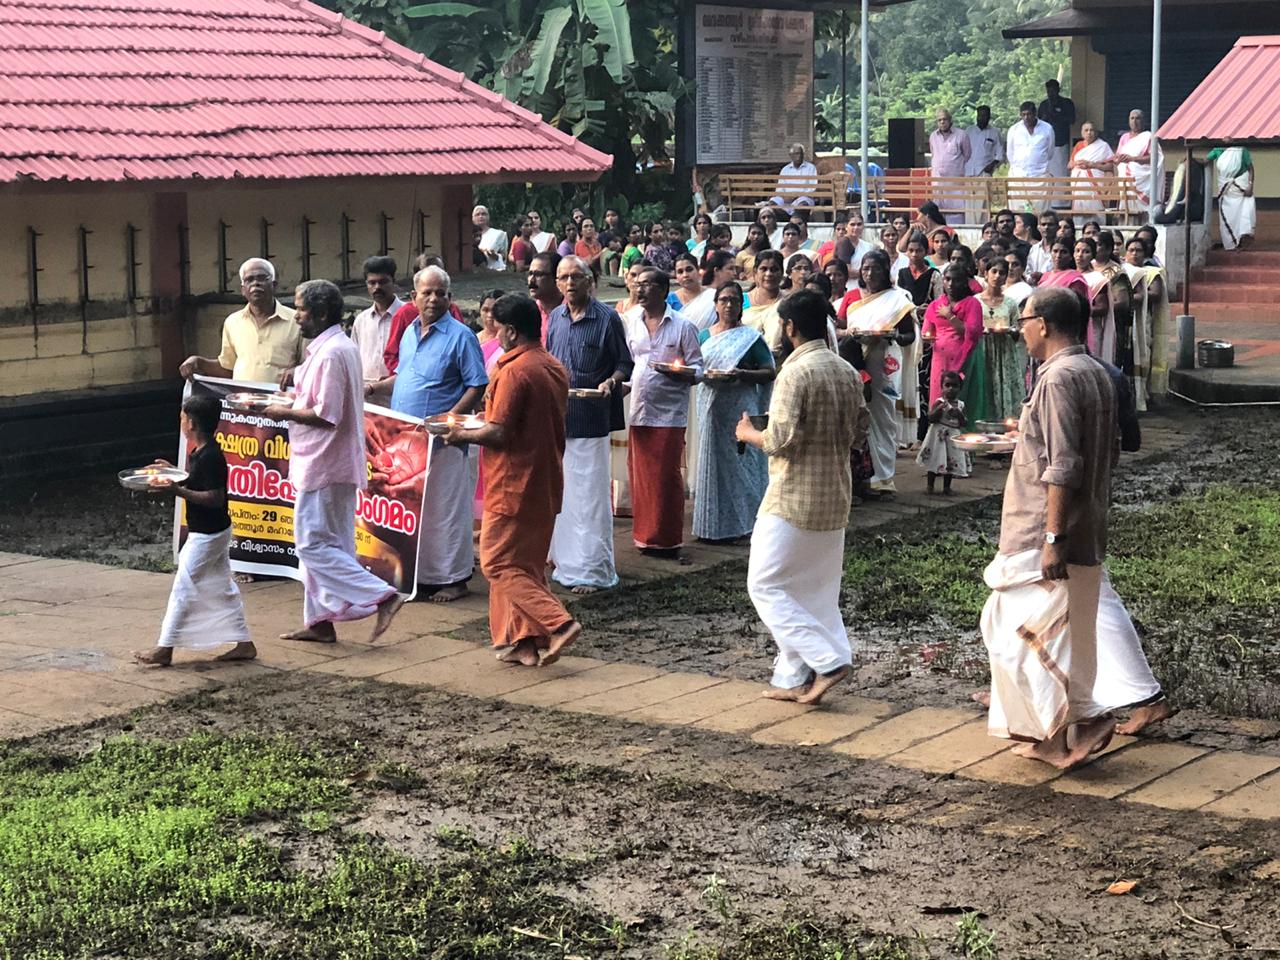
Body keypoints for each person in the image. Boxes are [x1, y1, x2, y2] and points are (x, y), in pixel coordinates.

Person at [981, 285, 1166, 770]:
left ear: (1042, 323)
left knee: (1011, 630)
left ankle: (1075, 722)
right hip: (1086, 523)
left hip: (1042, 526)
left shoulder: (1059, 378)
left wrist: (1051, 538)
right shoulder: (1095, 371)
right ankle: (1070, 727)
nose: (1020, 330)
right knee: (1071, 633)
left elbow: (1064, 465)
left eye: (1023, 321)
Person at [735, 289, 865, 704]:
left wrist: (747, 433)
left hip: (793, 496)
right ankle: (793, 677)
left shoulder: (795, 372)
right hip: (835, 493)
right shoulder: (845, 369)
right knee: (816, 592)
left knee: (765, 585)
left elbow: (781, 439)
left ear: (789, 327)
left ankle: (826, 661)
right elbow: (859, 430)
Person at [441, 295, 582, 668]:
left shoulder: (515, 369)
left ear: (511, 331)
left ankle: (558, 622)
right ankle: (523, 643)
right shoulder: (551, 365)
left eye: (497, 327)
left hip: (514, 484)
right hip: (545, 480)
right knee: (526, 567)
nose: (494, 333)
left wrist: (459, 434)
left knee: (498, 565)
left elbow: (500, 433)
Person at [262, 280, 404, 644]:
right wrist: (293, 394)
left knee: (310, 544)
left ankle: (380, 594)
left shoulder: (331, 353)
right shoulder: (331, 349)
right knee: (332, 545)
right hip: (330, 462)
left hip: (323, 464)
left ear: (322, 313)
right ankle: (320, 622)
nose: (297, 316)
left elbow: (327, 415)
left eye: (302, 309)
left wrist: (283, 412)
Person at [373, 265, 488, 602]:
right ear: (414, 297)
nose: (434, 299)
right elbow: (406, 376)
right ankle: (420, 576)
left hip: (444, 440)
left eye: (441, 293)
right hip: (406, 441)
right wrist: (375, 388)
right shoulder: (409, 332)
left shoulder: (460, 336)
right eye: (428, 292)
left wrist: (450, 419)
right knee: (416, 510)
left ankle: (453, 579)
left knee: (446, 510)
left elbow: (477, 383)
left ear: (449, 298)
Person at [132, 394, 255, 667]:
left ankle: (164, 648)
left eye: (182, 417)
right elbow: (198, 482)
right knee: (223, 587)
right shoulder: (200, 451)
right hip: (214, 530)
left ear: (191, 423)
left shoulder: (211, 455)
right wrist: (173, 472)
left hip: (208, 534)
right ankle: (244, 643)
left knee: (183, 588)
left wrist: (176, 490)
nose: (180, 421)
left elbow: (214, 497)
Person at [545, 256, 633, 594]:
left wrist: (612, 381)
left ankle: (593, 570)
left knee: (591, 499)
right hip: (560, 419)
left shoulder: (608, 318)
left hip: (593, 419)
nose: (569, 284)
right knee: (564, 497)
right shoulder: (555, 318)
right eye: (563, 277)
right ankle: (565, 563)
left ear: (589, 281)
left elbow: (625, 362)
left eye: (575, 277)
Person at [626, 266, 703, 558]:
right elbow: (630, 363)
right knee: (642, 477)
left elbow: (698, 369)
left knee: (666, 478)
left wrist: (678, 373)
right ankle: (644, 537)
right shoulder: (632, 321)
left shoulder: (683, 326)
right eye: (637, 284)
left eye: (647, 285)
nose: (640, 289)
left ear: (662, 290)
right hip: (639, 409)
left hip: (669, 412)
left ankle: (668, 539)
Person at [694, 281, 775, 542]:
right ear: (716, 304)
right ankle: (714, 526)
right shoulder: (704, 336)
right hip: (712, 407)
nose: (728, 305)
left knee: (744, 464)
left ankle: (747, 522)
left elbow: (768, 371)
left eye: (734, 301)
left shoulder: (750, 338)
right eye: (723, 300)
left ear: (741, 305)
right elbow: (695, 367)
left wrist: (742, 374)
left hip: (741, 406)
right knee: (715, 463)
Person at [838, 250, 917, 494]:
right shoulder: (852, 297)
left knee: (882, 418)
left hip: (883, 363)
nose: (870, 273)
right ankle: (859, 478)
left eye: (876, 269)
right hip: (854, 362)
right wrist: (849, 334)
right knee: (857, 417)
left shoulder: (897, 300)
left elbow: (909, 336)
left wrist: (892, 335)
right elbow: (838, 329)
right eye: (865, 268)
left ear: (886, 271)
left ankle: (883, 478)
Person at [179, 258, 301, 384]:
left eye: (262, 278)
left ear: (274, 285)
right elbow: (228, 369)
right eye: (249, 280)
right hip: (242, 401)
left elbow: (312, 366)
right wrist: (198, 362)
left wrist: (297, 371)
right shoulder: (233, 322)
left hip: (282, 401)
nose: (256, 283)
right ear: (243, 290)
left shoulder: (297, 321)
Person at [381, 254, 467, 375]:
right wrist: (408, 375)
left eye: (440, 273)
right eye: (427, 292)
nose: (433, 299)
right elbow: (391, 355)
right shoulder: (405, 315)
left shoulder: (453, 313)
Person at [923, 265, 984, 413]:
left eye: (956, 280)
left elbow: (972, 332)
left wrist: (950, 316)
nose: (950, 284)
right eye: (947, 279)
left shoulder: (972, 303)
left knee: (962, 399)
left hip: (964, 359)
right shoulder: (935, 305)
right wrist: (927, 339)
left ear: (964, 282)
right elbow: (926, 332)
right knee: (939, 399)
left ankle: (962, 434)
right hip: (940, 360)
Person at [1122, 237, 1170, 410]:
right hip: (1124, 321)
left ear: (1145, 254)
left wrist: (1132, 295)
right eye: (1131, 250)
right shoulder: (1120, 272)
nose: (1134, 254)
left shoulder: (1150, 273)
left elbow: (1156, 294)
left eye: (1139, 250)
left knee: (1142, 355)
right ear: (1125, 253)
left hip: (1142, 321)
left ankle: (1142, 395)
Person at [978, 257, 1027, 419]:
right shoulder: (975, 301)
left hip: (1004, 352)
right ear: (986, 274)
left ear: (1006, 277)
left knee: (1002, 386)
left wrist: (1009, 331)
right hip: (982, 350)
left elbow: (1018, 329)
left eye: (1002, 273)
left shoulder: (1010, 304)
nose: (997, 276)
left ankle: (1003, 426)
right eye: (994, 271)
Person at [351, 256, 405, 392]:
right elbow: (354, 359)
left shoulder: (408, 316)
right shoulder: (361, 320)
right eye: (372, 283)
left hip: (398, 394)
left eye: (383, 282)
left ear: (394, 281)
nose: (377, 287)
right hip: (366, 396)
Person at [916, 370, 971, 495]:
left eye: (955, 386)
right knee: (934, 459)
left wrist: (960, 416)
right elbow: (930, 417)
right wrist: (939, 410)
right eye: (947, 385)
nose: (951, 389)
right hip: (938, 436)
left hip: (952, 436)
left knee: (950, 462)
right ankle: (930, 485)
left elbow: (965, 423)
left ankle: (947, 487)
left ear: (960, 388)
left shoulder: (961, 405)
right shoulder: (939, 402)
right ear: (942, 387)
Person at [1006, 101, 1056, 213]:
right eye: (1023, 115)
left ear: (1035, 113)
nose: (1026, 117)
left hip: (1040, 175)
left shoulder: (1047, 128)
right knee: (1019, 211)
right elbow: (1010, 153)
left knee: (1040, 211)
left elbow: (1050, 152)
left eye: (1029, 114)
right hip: (1018, 176)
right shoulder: (1014, 130)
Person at [1208, 140, 1256, 250]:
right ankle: (1231, 244)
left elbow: (1250, 168)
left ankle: (1243, 242)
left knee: (1244, 215)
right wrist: (1190, 160)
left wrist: (1250, 185)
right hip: (1226, 192)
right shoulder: (1217, 150)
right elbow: (1206, 160)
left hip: (1241, 190)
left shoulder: (1241, 150)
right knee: (1227, 217)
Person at [1075, 237, 1115, 364]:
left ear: (1093, 255)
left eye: (1086, 252)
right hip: (1071, 329)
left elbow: (1102, 307)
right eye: (1077, 251)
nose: (1080, 255)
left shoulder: (1098, 279)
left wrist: (1078, 311)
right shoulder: (1069, 275)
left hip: (1091, 329)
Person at [929, 108, 971, 224]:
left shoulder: (961, 135)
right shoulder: (933, 136)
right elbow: (934, 154)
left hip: (955, 183)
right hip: (938, 182)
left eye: (945, 119)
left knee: (956, 213)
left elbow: (967, 155)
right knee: (937, 213)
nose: (942, 122)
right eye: (939, 120)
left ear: (950, 120)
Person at [1115, 109, 1162, 212]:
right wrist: (1118, 159)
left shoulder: (1149, 137)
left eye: (1137, 118)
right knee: (1127, 207)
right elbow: (1116, 158)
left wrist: (1133, 159)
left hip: (1142, 180)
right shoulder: (1124, 137)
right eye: (1132, 118)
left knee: (1143, 211)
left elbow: (1154, 158)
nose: (1134, 121)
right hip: (1125, 180)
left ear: (1143, 121)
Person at [1069, 122, 1115, 221]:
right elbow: (1069, 165)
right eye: (1086, 130)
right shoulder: (1078, 145)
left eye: (1092, 130)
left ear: (1096, 132)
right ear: (1082, 133)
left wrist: (1091, 165)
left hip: (1095, 184)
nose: (1089, 132)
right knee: (1079, 210)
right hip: (1079, 184)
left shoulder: (1103, 146)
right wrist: (1077, 164)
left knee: (1095, 209)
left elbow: (1110, 166)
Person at [743, 250, 785, 356]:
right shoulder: (742, 300)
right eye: (764, 269)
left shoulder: (788, 301)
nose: (769, 274)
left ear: (782, 272)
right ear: (755, 272)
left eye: (774, 269)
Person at [1037, 79, 1076, 185]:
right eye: (1049, 91)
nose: (1051, 94)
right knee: (1046, 175)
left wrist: (1056, 115)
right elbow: (1038, 123)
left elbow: (1071, 120)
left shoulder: (1066, 103)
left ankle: (1061, 201)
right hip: (1045, 145)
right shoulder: (1044, 105)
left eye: (1053, 91)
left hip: (1060, 144)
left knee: (1060, 175)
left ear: (1058, 90)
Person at [767, 143, 819, 213]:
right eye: (796, 154)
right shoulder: (785, 169)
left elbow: (812, 189)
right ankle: (784, 217)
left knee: (803, 205)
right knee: (772, 203)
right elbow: (779, 190)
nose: (799, 156)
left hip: (803, 198)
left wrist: (796, 196)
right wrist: (785, 197)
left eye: (801, 153)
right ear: (791, 156)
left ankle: (794, 219)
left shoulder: (811, 168)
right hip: (786, 198)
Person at [669, 252, 716, 330]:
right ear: (676, 276)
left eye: (689, 269)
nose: (685, 275)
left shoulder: (713, 296)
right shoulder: (670, 300)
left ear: (698, 270)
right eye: (680, 272)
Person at [527, 250, 564, 342]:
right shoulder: (529, 314)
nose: (532, 280)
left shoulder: (574, 312)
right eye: (530, 274)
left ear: (557, 278)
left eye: (539, 275)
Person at [965, 105, 1005, 186]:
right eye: (980, 115)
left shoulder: (995, 133)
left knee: (983, 198)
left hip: (984, 173)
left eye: (985, 115)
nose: (982, 118)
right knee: (969, 198)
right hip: (968, 172)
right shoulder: (969, 131)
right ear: (977, 116)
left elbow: (1000, 154)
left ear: (989, 117)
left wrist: (992, 165)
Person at [473, 205, 508, 271]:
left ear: (488, 217)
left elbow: (504, 256)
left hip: (494, 271)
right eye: (477, 214)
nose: (481, 216)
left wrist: (496, 256)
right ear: (472, 218)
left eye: (484, 214)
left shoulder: (499, 234)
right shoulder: (467, 235)